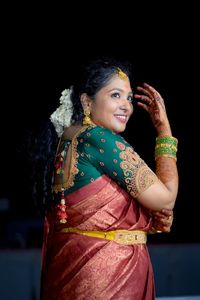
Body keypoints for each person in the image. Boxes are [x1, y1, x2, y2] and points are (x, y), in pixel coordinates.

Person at [35, 57, 178, 300]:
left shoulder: (72, 137)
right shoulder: (99, 139)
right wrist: (164, 131)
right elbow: (165, 199)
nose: (127, 106)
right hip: (107, 276)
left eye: (129, 98)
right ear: (86, 101)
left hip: (79, 268)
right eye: (115, 95)